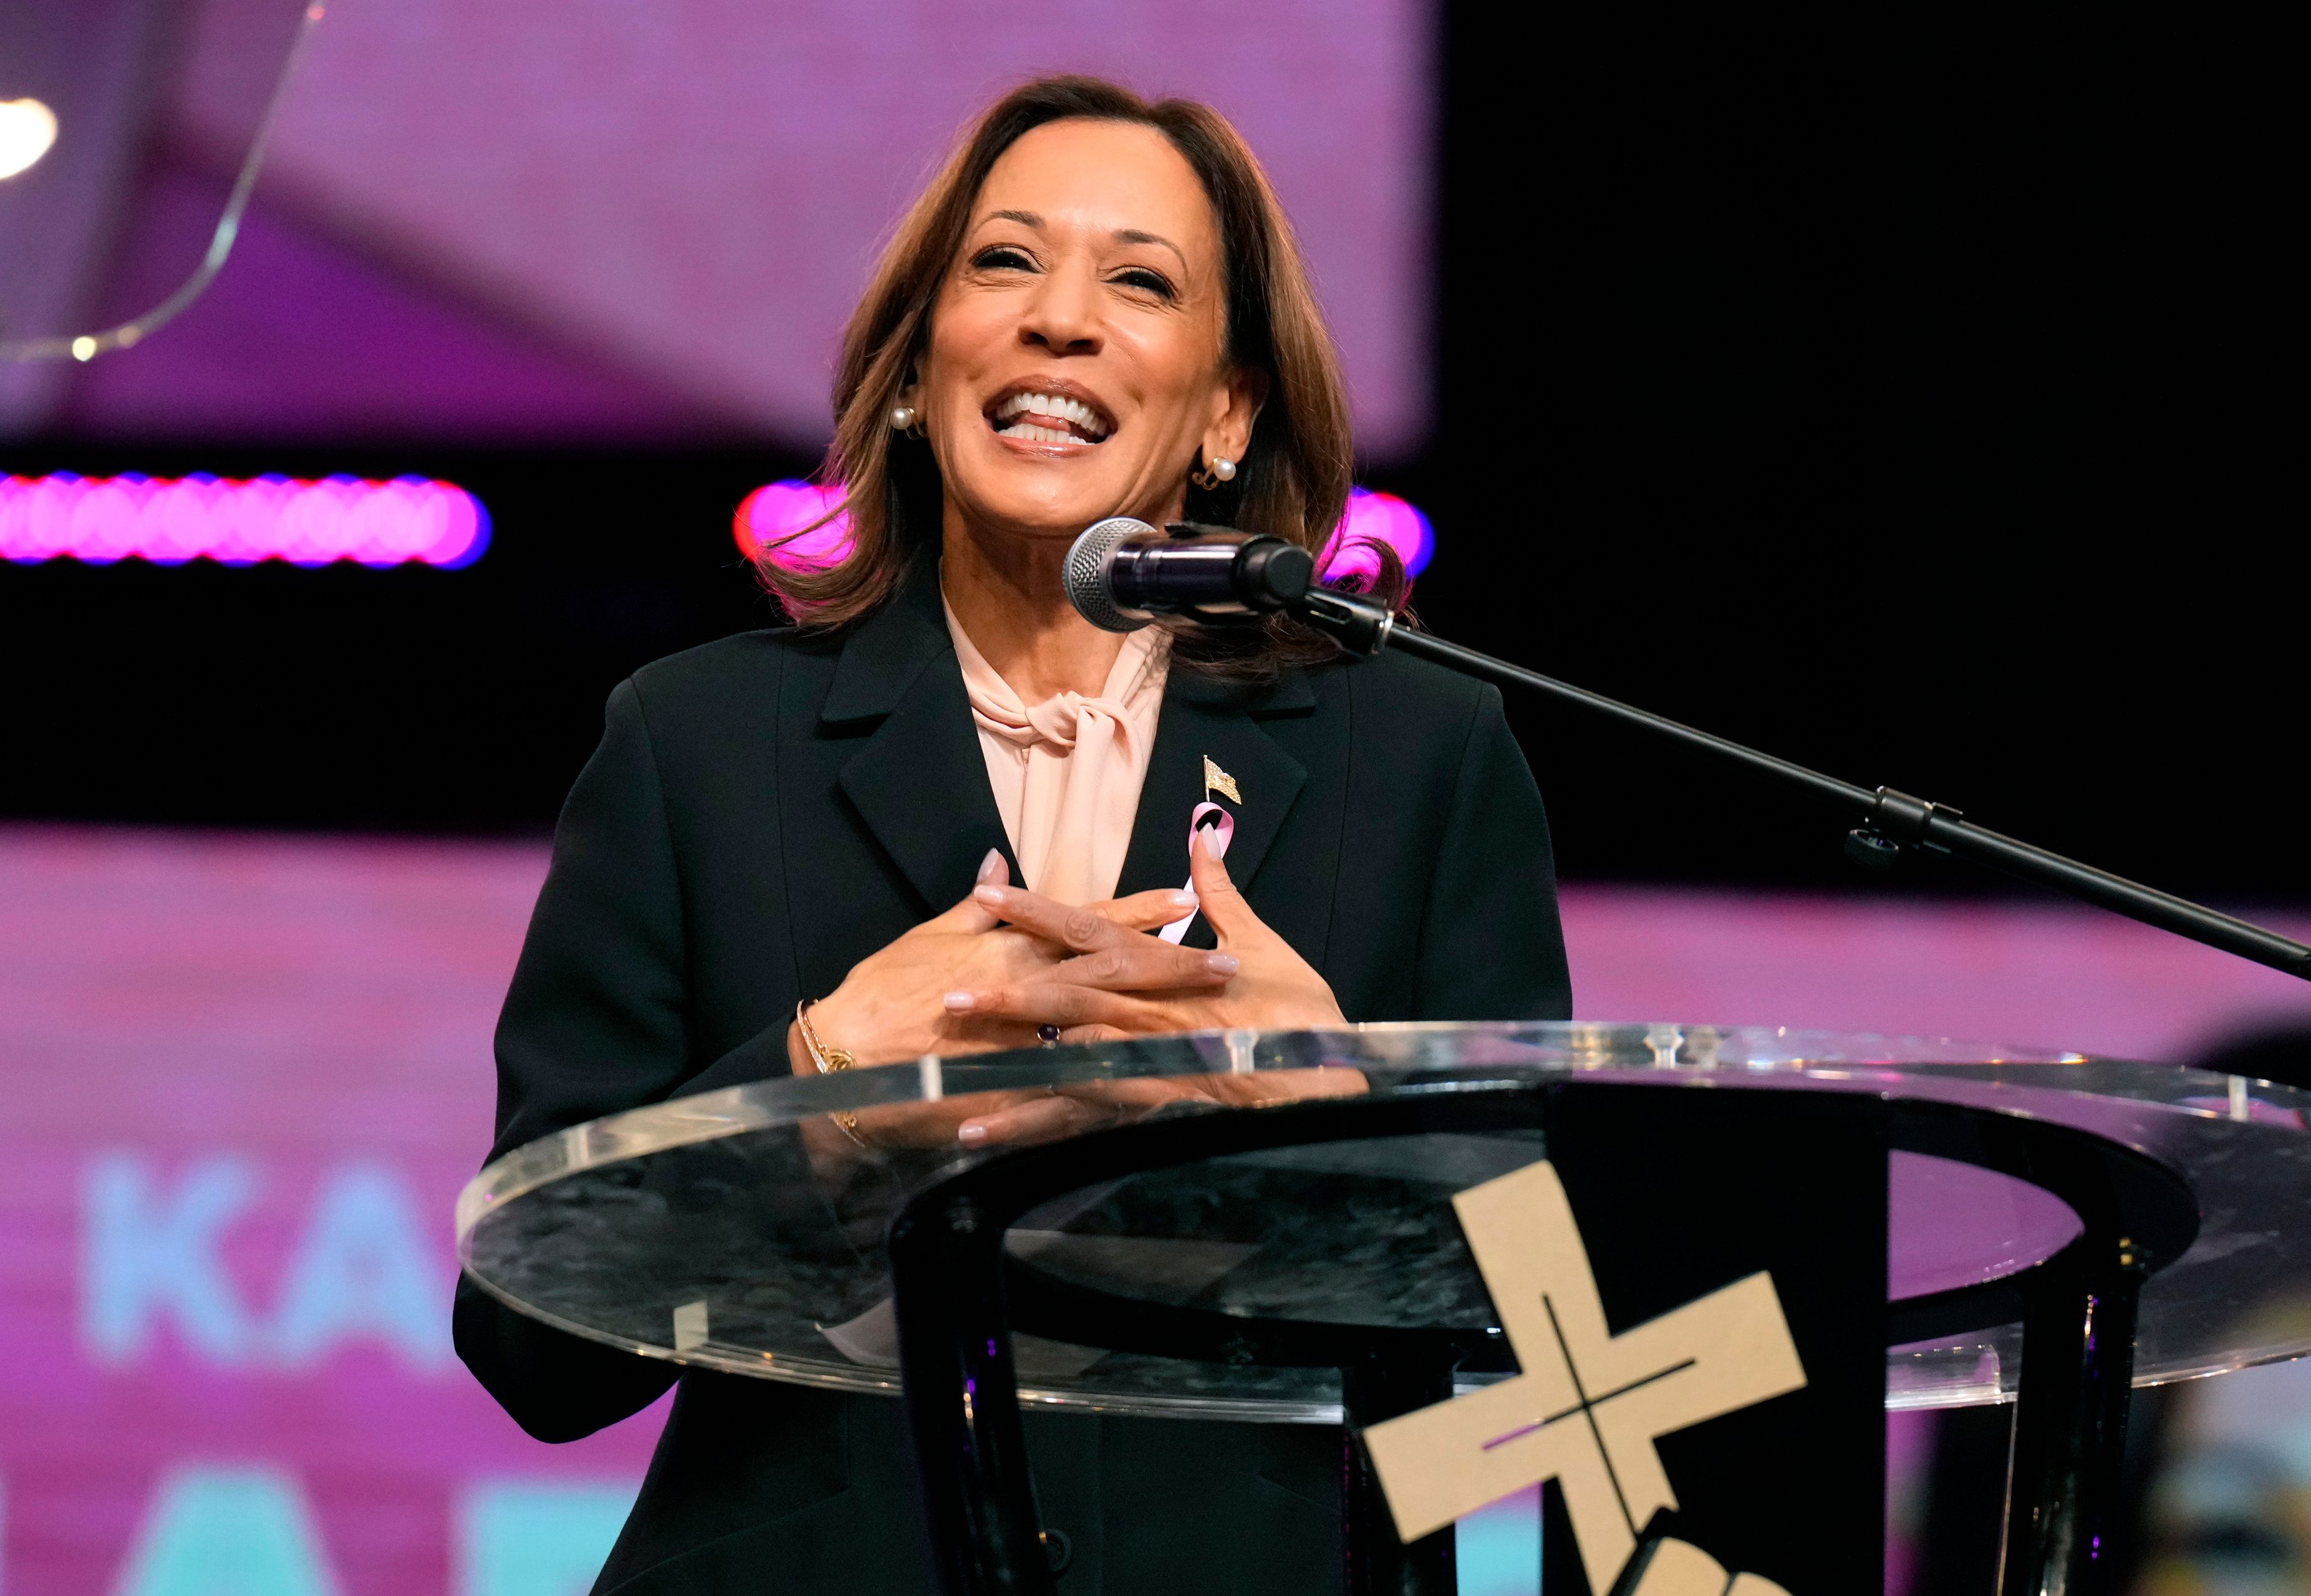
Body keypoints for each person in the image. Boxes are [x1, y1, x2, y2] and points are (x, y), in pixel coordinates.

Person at [456, 74, 1571, 1594]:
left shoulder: (1423, 755)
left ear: (1226, 413)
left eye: (1140, 279)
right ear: (920, 368)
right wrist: (826, 1084)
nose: (1062, 319)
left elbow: (1555, 1323)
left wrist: (1347, 1115)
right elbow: (535, 1343)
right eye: (1005, 262)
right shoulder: (701, 744)